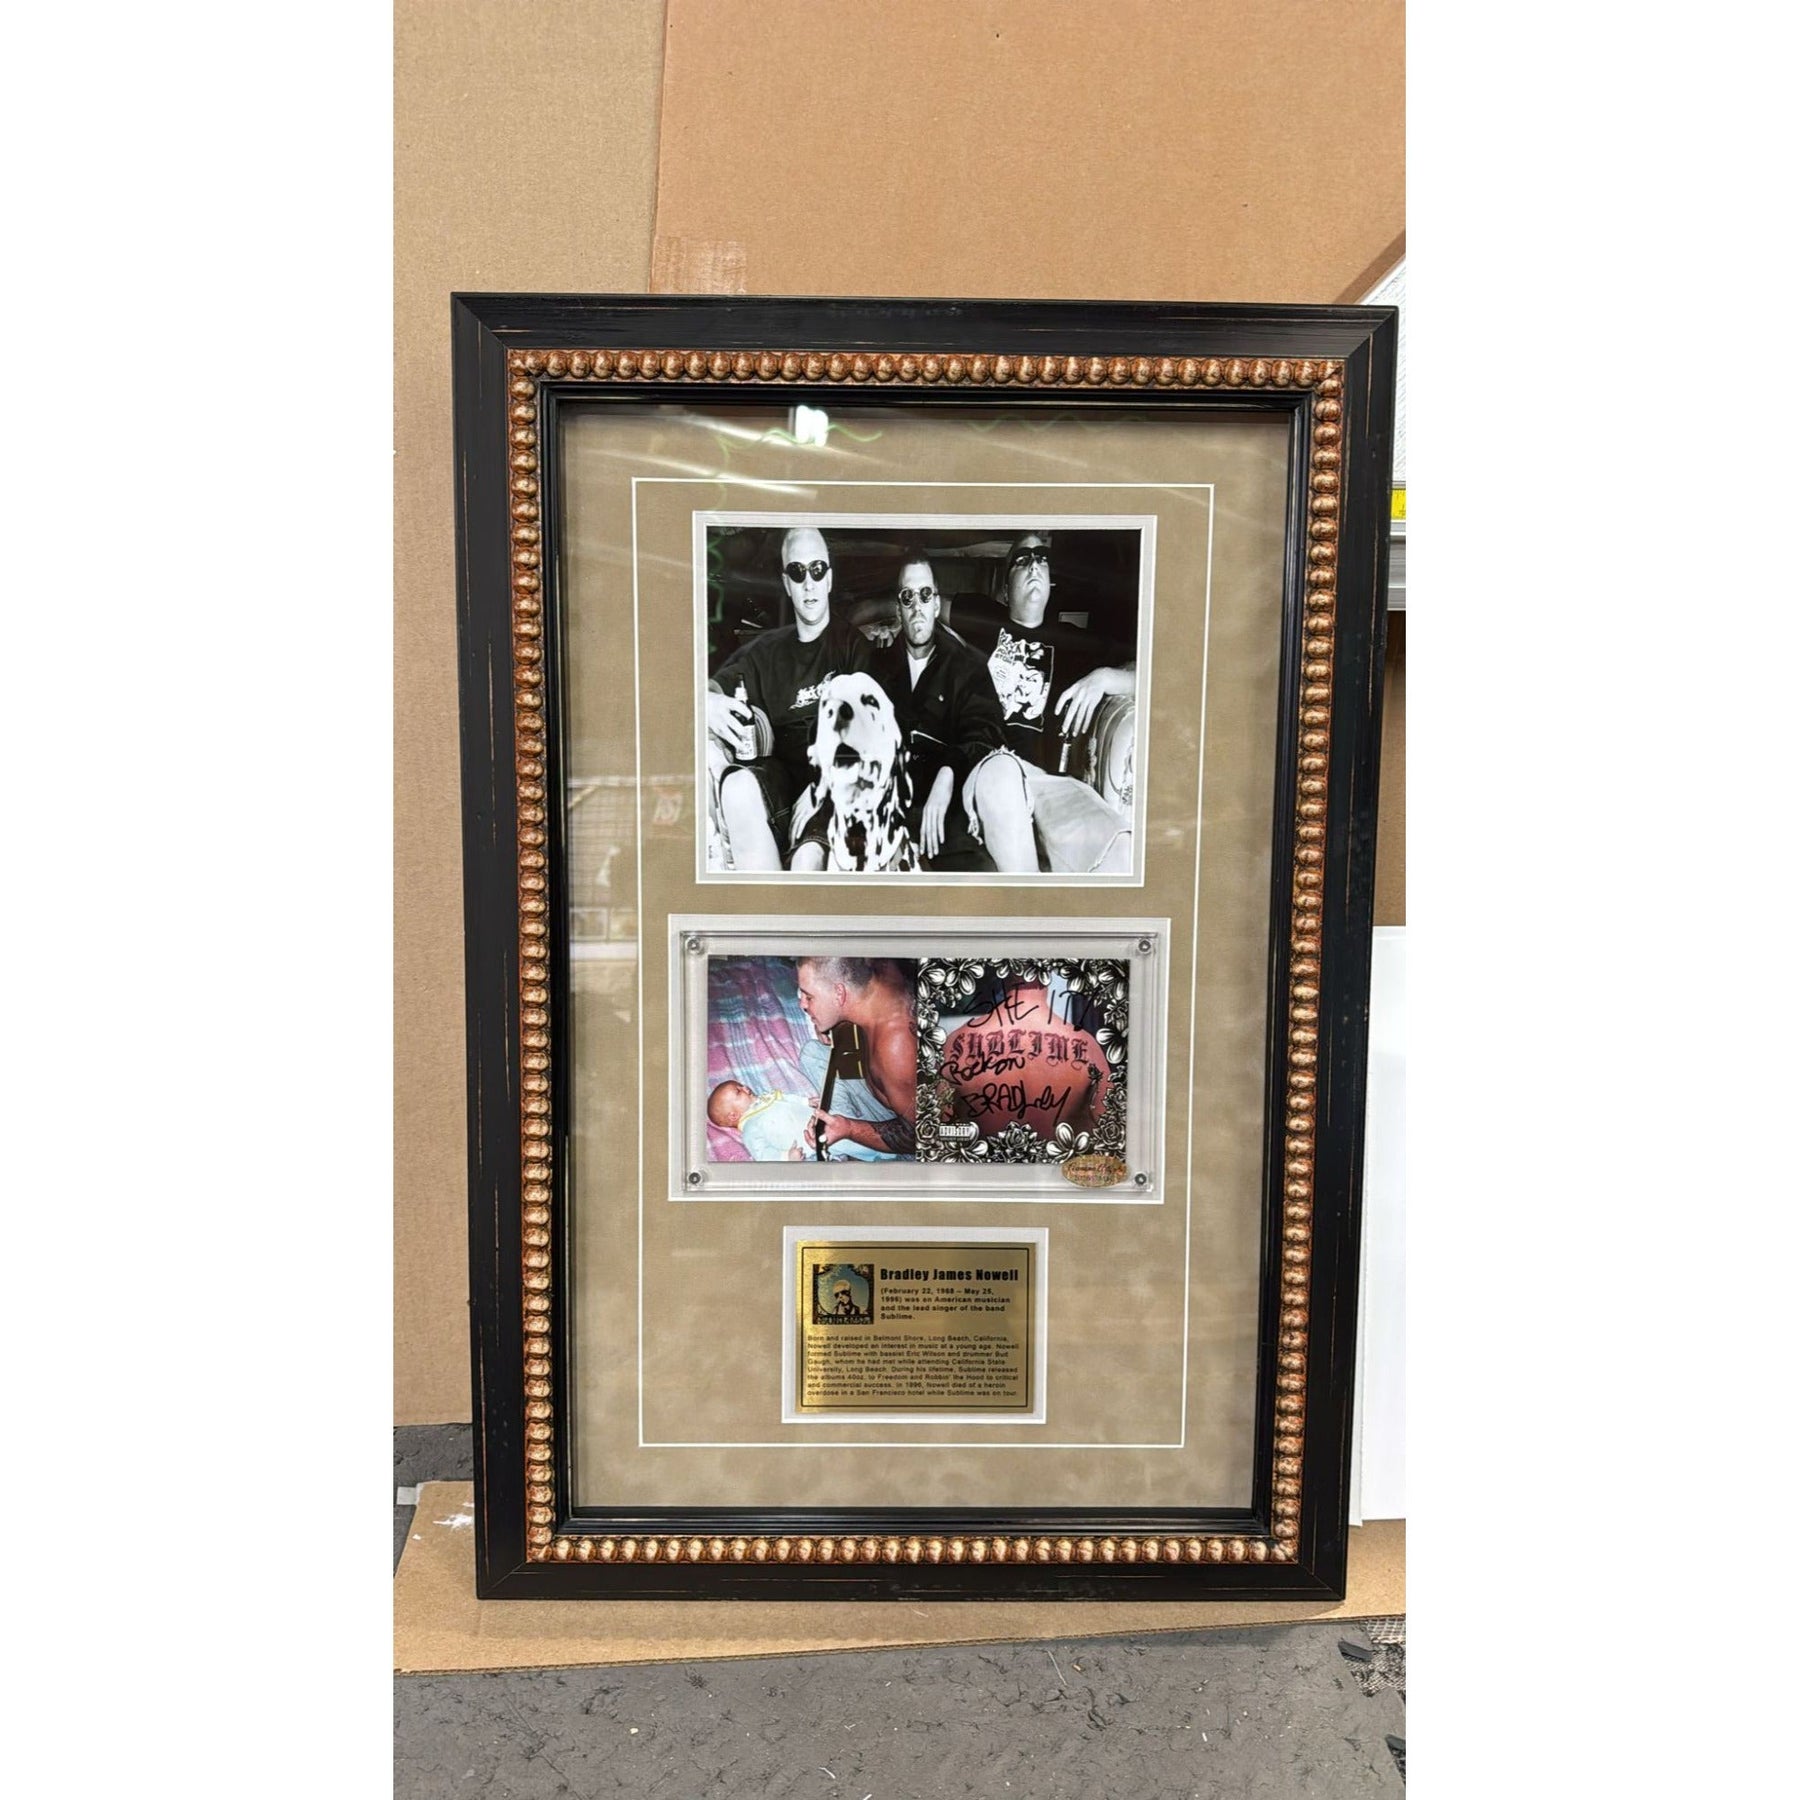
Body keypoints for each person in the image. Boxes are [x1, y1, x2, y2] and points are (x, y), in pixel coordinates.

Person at [954, 532, 1137, 874]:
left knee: (1118, 844)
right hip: (990, 770)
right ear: (1005, 588)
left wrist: (1105, 678)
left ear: (1051, 581)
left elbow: (1157, 675)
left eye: (1042, 557)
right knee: (1002, 774)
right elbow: (914, 603)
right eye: (1022, 560)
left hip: (1048, 784)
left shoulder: (1072, 641)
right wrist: (879, 626)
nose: (1034, 564)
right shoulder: (982, 618)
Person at [706, 527, 872, 870]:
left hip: (835, 783)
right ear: (786, 583)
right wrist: (706, 701)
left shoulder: (852, 646)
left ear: (829, 579)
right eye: (797, 572)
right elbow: (715, 686)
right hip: (782, 781)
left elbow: (866, 735)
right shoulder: (767, 652)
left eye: (817, 570)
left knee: (807, 860)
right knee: (736, 787)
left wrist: (822, 787)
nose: (808, 583)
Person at [867, 556, 1006, 871]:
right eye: (908, 597)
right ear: (898, 610)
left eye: (925, 595)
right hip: (885, 809)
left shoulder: (968, 667)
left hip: (948, 810)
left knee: (981, 881)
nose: (917, 606)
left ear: (936, 604)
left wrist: (948, 773)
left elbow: (985, 732)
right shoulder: (874, 667)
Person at [939, 974, 1111, 1143]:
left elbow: (939, 1133)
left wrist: (974, 1139)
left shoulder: (957, 1043)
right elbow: (1107, 1134)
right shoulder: (1087, 1047)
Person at [795, 956, 918, 1158]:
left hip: (905, 1134)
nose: (803, 1005)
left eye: (809, 997)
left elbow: (920, 1134)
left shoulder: (896, 1049)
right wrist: (833, 1021)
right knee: (811, 1053)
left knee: (825, 1142)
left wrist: (849, 1128)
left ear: (839, 993)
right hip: (882, 1091)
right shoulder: (880, 971)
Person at [706, 1077, 887, 1162]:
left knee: (853, 1123)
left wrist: (805, 1101)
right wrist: (786, 1157)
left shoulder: (767, 1098)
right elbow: (763, 1154)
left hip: (820, 1116)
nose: (745, 1087)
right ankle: (888, 1154)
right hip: (814, 1139)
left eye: (741, 1085)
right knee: (850, 1142)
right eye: (738, 1092)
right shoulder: (751, 1128)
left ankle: (884, 1136)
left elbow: (787, 1098)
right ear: (733, 1116)